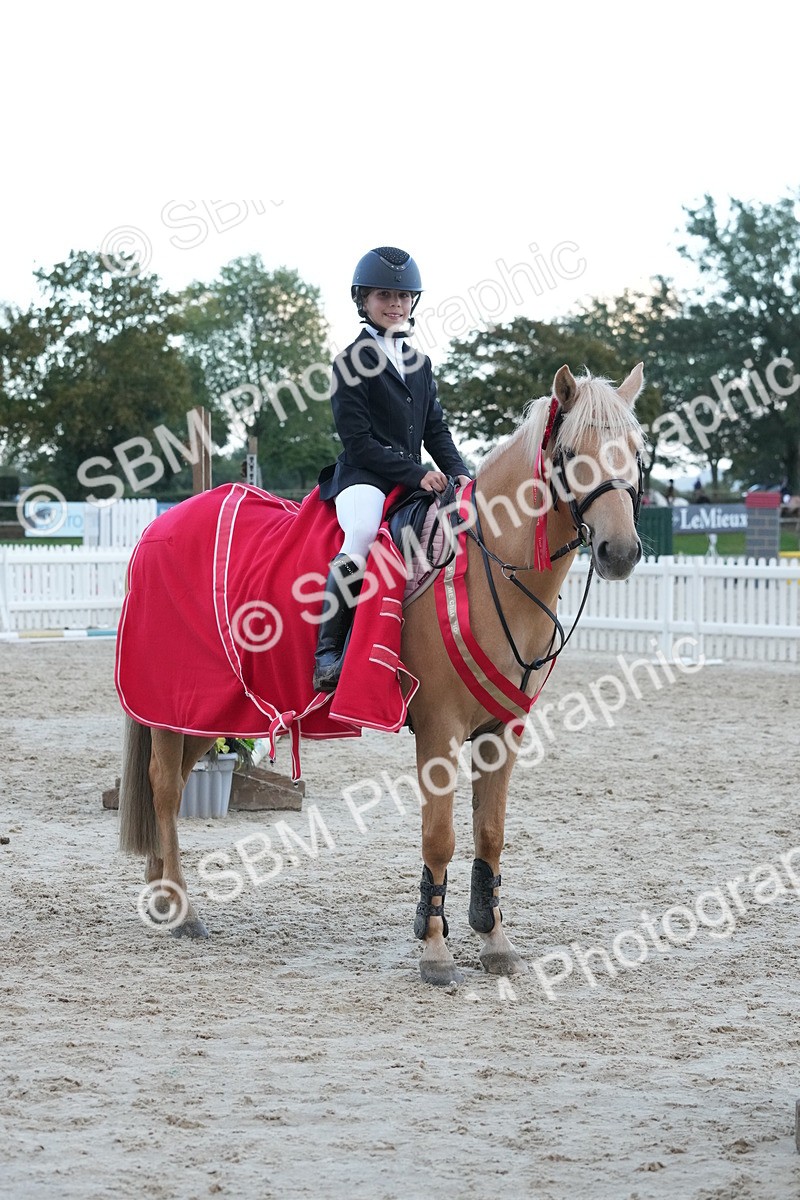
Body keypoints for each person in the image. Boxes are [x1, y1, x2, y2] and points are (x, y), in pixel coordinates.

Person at [313, 246, 471, 692]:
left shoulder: (420, 364)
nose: (395, 304)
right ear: (363, 299)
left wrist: (458, 471)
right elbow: (358, 442)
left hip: (415, 480)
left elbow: (435, 430)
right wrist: (416, 473)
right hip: (364, 477)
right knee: (361, 535)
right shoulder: (348, 362)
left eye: (403, 297)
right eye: (384, 295)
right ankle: (328, 653)